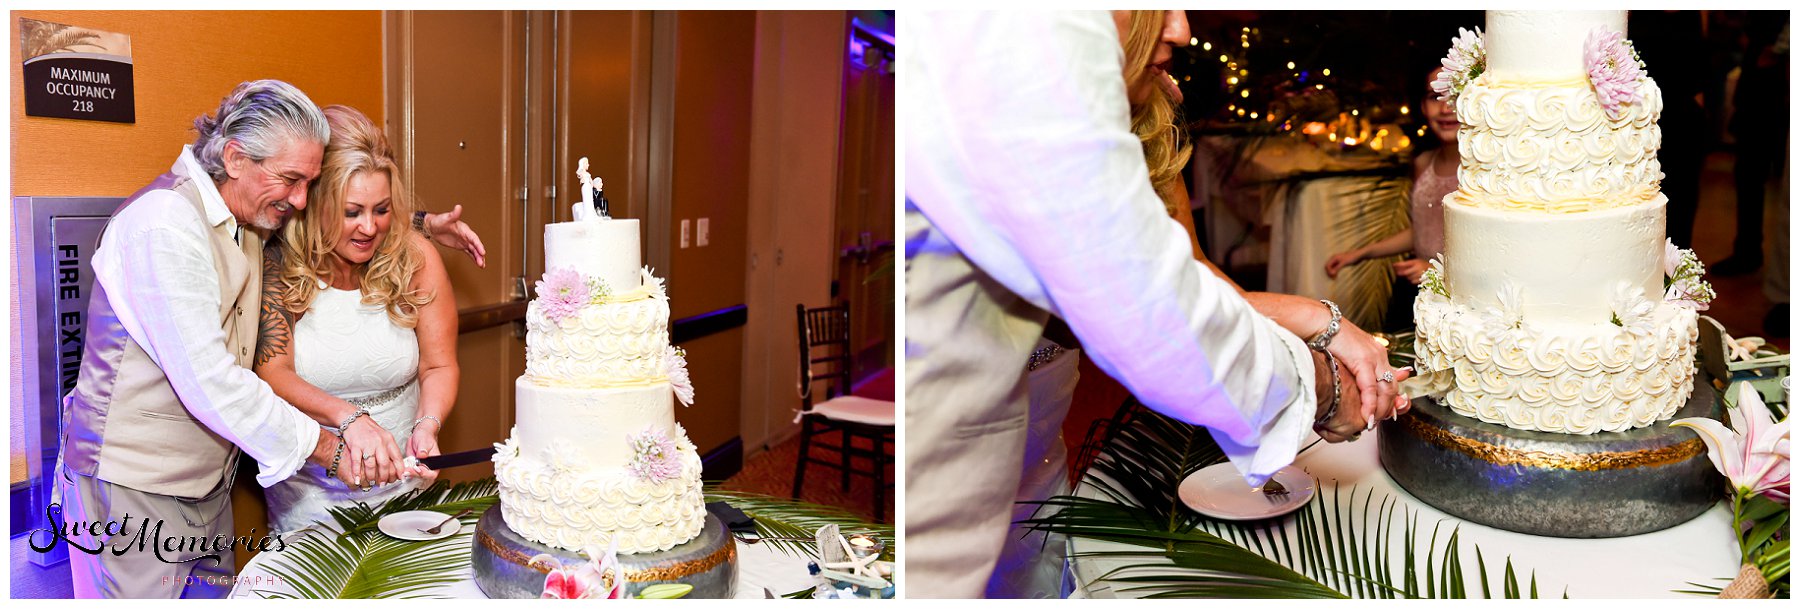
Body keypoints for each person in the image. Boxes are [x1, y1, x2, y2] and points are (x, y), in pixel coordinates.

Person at [906, 12, 1410, 598]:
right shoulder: (1027, 35)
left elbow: (1180, 273)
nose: (1181, 28)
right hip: (946, 432)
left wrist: (1318, 318)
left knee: (1033, 564)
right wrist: (1320, 386)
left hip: (1027, 416)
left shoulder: (1136, 96)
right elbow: (1136, 304)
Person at [52, 80, 485, 599]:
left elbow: (354, 213)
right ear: (235, 158)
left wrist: (422, 224)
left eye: (309, 183)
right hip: (133, 487)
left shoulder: (253, 213)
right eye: (292, 180)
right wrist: (334, 441)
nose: (300, 200)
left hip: (206, 487)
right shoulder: (163, 226)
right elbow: (215, 383)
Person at [255, 105, 459, 534]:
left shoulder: (415, 257)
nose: (370, 227)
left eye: (381, 209)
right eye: (352, 212)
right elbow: (271, 372)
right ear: (314, 203)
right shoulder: (277, 265)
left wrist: (428, 424)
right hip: (311, 497)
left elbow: (438, 364)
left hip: (406, 490)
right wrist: (350, 418)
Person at [1323, 65, 1461, 330]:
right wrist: (1360, 253)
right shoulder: (1423, 162)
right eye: (1435, 97)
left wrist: (1437, 272)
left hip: (1455, 300)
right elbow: (1424, 229)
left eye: (1455, 96)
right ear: (1422, 106)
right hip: (1414, 290)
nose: (1445, 108)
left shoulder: (1482, 171)